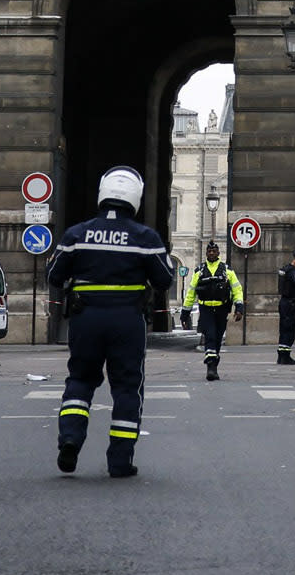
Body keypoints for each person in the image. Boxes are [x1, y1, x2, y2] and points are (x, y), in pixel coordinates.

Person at [48, 166, 174, 479]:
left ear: (102, 193)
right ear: (135, 199)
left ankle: (71, 439)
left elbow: (53, 275)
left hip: (86, 318)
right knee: (127, 389)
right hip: (127, 321)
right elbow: (165, 279)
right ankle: (119, 462)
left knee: (80, 380)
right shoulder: (146, 238)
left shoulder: (77, 234)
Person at [183, 246, 242, 380]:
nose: (211, 253)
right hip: (206, 309)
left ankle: (214, 363)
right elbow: (191, 293)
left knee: (217, 338)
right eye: (209, 251)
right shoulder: (199, 271)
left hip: (222, 309)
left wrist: (239, 308)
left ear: (218, 253)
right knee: (210, 336)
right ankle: (210, 367)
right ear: (206, 253)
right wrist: (185, 313)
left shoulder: (227, 271)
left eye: (214, 251)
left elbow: (237, 290)